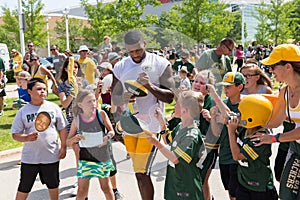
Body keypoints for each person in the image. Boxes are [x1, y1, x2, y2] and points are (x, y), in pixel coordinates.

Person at [111, 29, 175, 200]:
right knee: (138, 172)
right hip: (130, 125)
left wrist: (150, 86)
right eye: (131, 51)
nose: (135, 54)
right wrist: (122, 97)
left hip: (151, 126)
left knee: (142, 172)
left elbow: (170, 97)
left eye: (138, 50)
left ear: (144, 44)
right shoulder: (120, 66)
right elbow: (114, 98)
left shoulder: (160, 63)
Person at [250, 44, 300, 199]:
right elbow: (274, 121)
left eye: (273, 66)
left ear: (288, 67)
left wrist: (272, 139)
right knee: (286, 195)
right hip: (296, 150)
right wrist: (246, 121)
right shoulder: (284, 91)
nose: (270, 71)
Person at [11, 78, 68, 200]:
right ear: (29, 91)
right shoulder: (23, 111)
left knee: (53, 185)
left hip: (51, 155)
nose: (43, 92)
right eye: (39, 89)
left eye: (44, 89)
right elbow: (15, 134)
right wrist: (26, 137)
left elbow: (62, 128)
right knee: (24, 186)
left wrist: (63, 146)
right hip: (30, 158)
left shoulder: (53, 108)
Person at [147, 90, 205, 200]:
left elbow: (175, 158)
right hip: (174, 183)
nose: (174, 105)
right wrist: (161, 122)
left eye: (177, 104)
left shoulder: (191, 135)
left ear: (185, 110)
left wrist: (156, 143)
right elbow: (168, 141)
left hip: (186, 187)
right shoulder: (180, 126)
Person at [227, 95, 278, 200]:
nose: (238, 115)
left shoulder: (259, 139)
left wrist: (231, 132)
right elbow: (227, 115)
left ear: (251, 117)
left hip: (260, 188)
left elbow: (237, 156)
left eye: (240, 113)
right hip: (244, 184)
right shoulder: (246, 129)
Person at [67, 90, 115, 200]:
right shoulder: (77, 120)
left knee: (106, 188)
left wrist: (106, 138)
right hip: (85, 159)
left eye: (94, 100)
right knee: (81, 191)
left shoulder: (101, 114)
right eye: (89, 101)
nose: (93, 103)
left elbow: (112, 131)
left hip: (102, 157)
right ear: (80, 104)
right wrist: (75, 139)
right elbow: (68, 142)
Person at [209, 71, 246, 200]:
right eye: (224, 86)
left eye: (228, 86)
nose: (225, 89)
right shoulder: (223, 103)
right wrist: (214, 118)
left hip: (238, 156)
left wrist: (214, 95)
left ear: (240, 87)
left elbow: (229, 115)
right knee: (230, 192)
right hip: (224, 155)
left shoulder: (246, 104)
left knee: (238, 193)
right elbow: (215, 132)